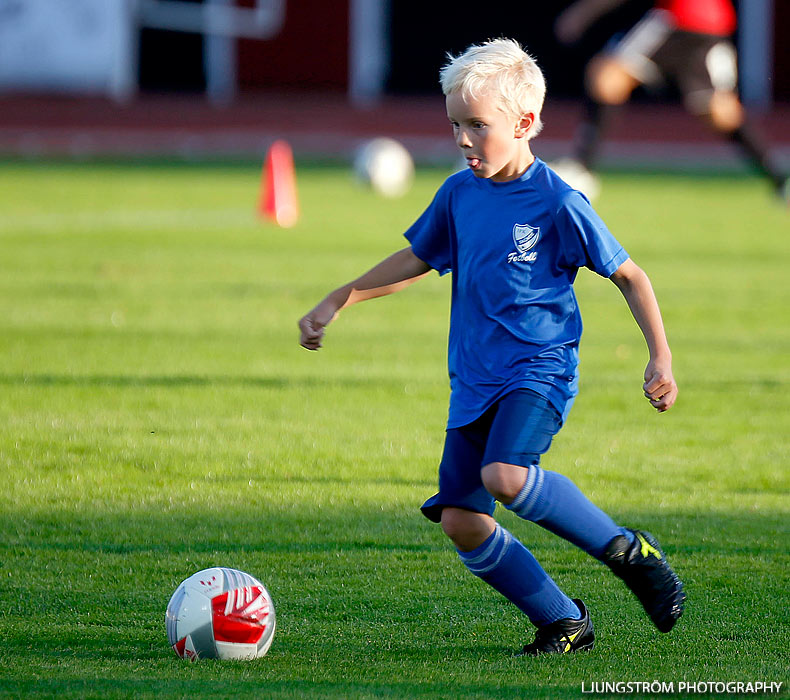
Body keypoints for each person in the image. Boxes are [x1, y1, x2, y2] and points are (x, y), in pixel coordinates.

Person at [298, 38, 685, 656]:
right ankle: (563, 621)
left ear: (525, 123)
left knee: (505, 475)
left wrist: (658, 357)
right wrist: (339, 299)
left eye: (478, 125)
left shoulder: (558, 202)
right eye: (455, 125)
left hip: (539, 371)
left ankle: (628, 551)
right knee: (463, 521)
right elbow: (418, 259)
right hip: (474, 381)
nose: (463, 139)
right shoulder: (458, 194)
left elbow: (630, 276)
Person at [554, 0, 789, 202]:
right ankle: (781, 182)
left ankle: (582, 168)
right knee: (720, 110)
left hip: (679, 20)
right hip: (710, 24)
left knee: (607, 75)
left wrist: (584, 12)